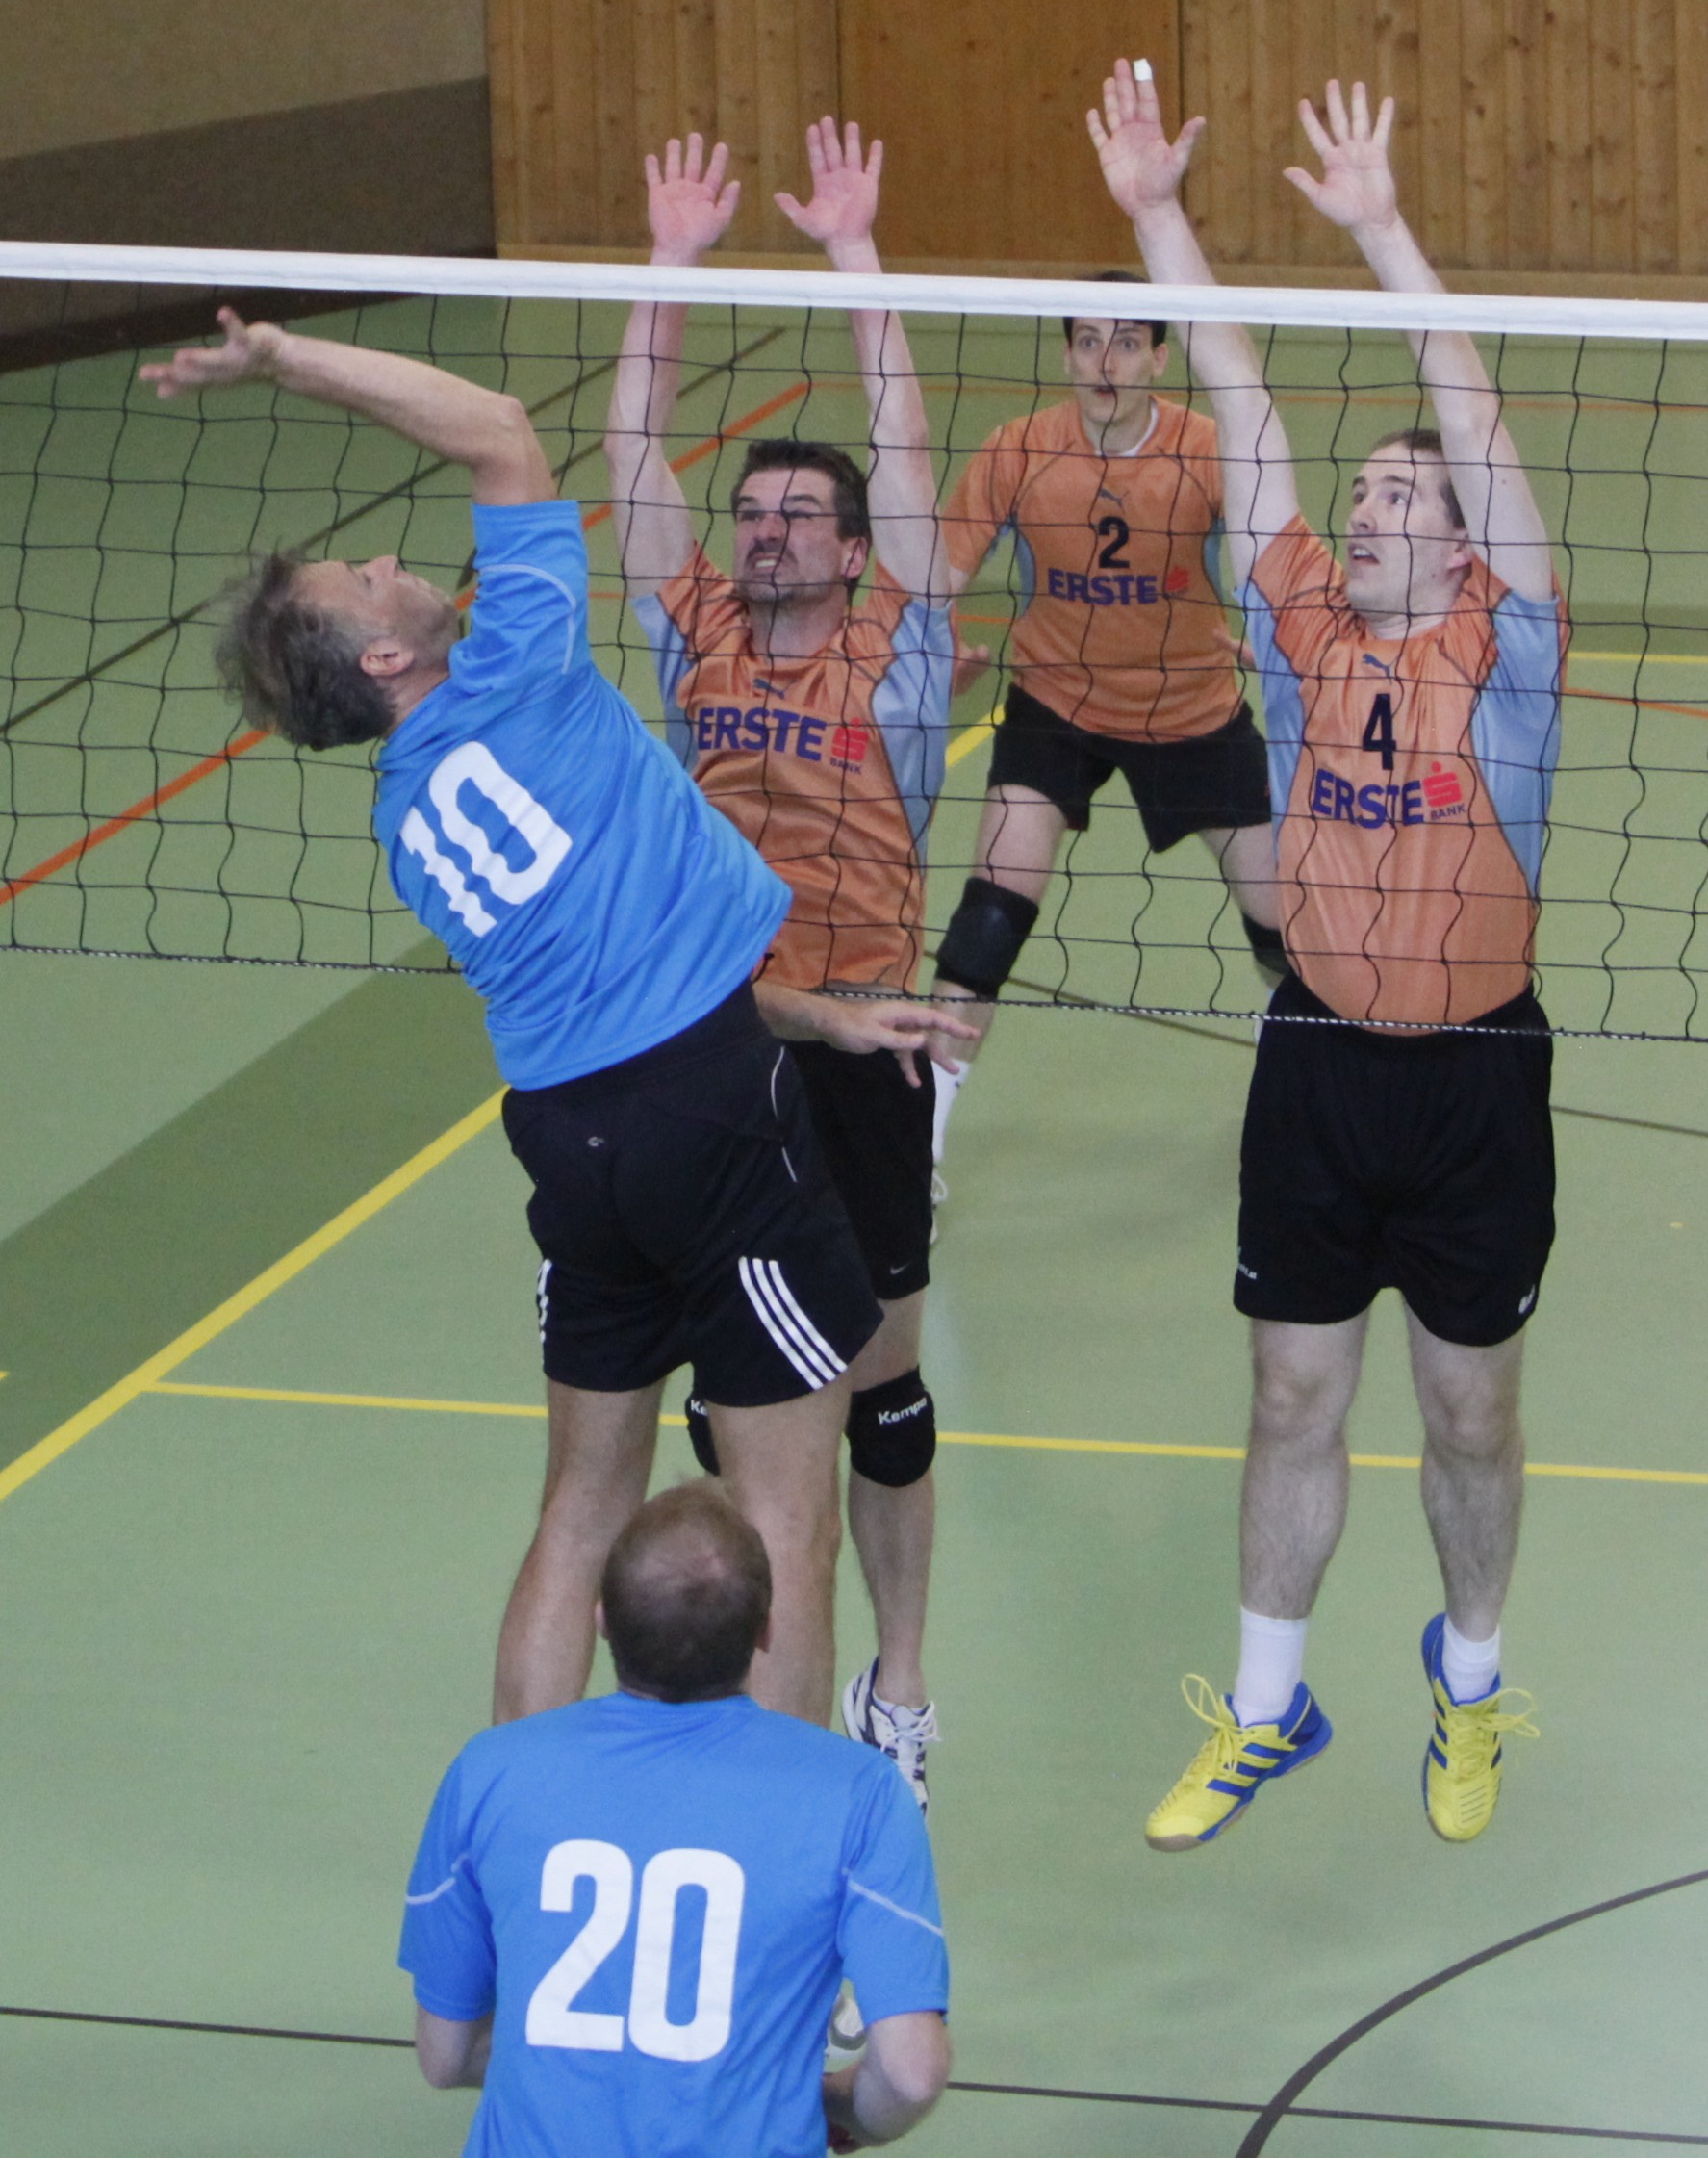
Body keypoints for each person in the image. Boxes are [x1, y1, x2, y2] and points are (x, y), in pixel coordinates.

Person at [139, 312, 958, 1733]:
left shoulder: (408, 814)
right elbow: (500, 433)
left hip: (569, 1144)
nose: (393, 561)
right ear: (384, 659)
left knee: (582, 1502)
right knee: (783, 1511)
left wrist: (816, 1022)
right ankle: (773, 1827)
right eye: (368, 578)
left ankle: (516, 1790)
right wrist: (283, 358)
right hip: (708, 1116)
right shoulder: (518, 665)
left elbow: (632, 968)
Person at [1095, 64, 1558, 1848]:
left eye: (1397, 499)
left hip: (1476, 1080)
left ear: (1455, 538)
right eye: (1356, 494)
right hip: (1315, 1060)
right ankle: (1266, 1706)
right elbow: (1239, 395)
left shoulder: (1505, 648)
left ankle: (1470, 1676)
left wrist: (1380, 233)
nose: (1363, 513)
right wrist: (1157, 213)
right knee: (1291, 1390)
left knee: (1467, 1416)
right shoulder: (1296, 622)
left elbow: (1474, 413)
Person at [604, 124, 953, 1807]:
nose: (766, 534)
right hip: (720, 1048)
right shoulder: (695, 632)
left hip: (863, 1045)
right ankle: (747, 1699)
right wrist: (667, 269)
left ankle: (899, 1686)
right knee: (733, 1401)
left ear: (853, 545)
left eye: (802, 516)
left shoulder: (899, 642)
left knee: (878, 1388)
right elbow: (629, 455)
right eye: (751, 512)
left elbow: (907, 442)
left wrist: (857, 259)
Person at [400, 1482, 951, 2158]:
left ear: (602, 1619)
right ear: (765, 1631)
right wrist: (836, 2105)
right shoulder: (861, 1795)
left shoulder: (489, 1771)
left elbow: (445, 2055)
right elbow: (911, 2074)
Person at [929, 217, 1285, 1145]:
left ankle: (1300, 1049)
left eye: (1125, 343)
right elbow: (932, 580)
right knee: (988, 918)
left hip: (1192, 707)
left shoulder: (1207, 448)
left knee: (1286, 931)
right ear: (1066, 354)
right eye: (1087, 341)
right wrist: (931, 657)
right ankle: (918, 1132)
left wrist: (1279, 643)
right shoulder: (1018, 448)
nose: (1104, 363)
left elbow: (1280, 567)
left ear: (1160, 358)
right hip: (1056, 702)